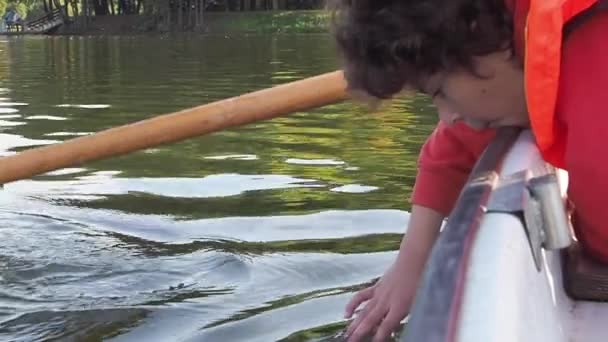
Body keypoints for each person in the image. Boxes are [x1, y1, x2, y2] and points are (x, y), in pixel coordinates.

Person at [329, 0, 608, 341]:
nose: (447, 116)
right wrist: (412, 260)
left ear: (477, 35)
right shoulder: (517, 53)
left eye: (440, 92)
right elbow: (452, 146)